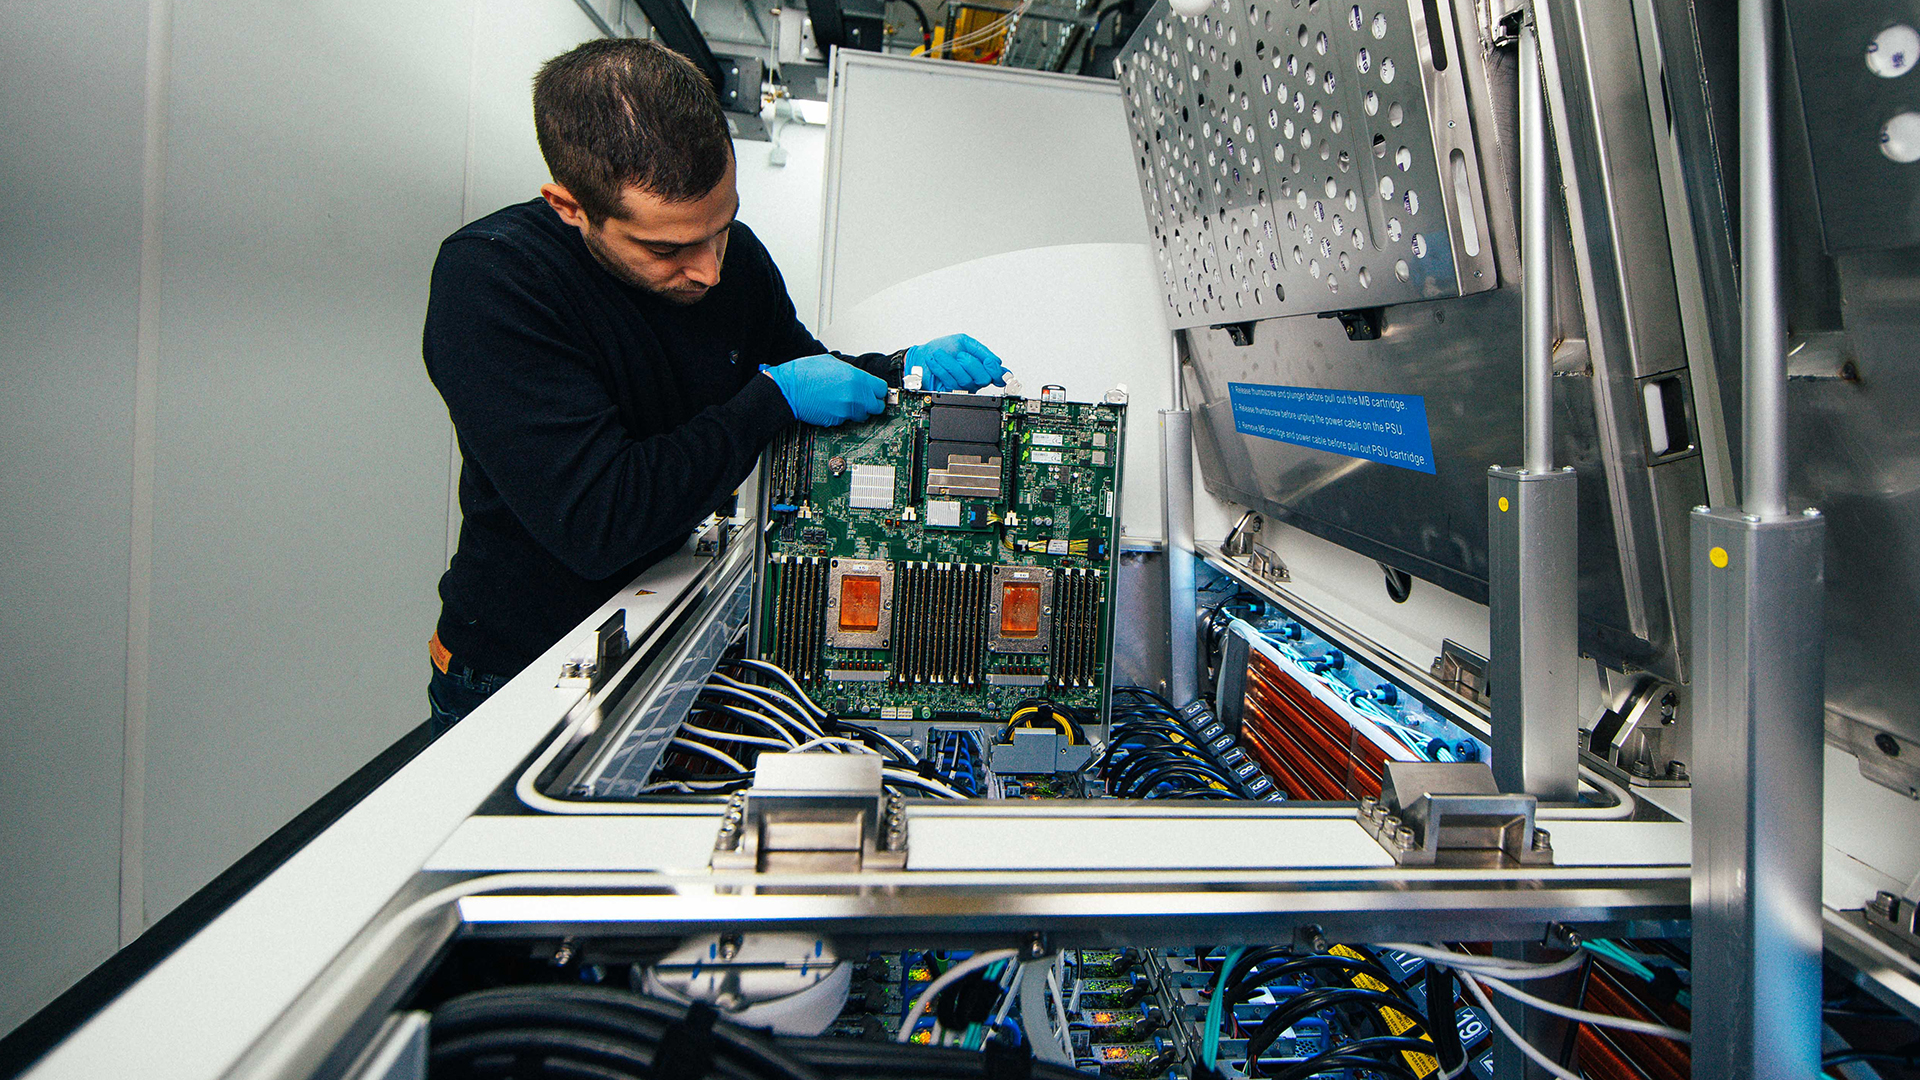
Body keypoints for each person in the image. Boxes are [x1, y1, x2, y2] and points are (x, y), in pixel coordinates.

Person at [422, 38, 1007, 732]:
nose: (709, 271)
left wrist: (903, 367)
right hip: (524, 672)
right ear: (570, 206)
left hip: (678, 632)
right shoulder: (495, 281)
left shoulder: (740, 261)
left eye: (721, 228)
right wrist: (770, 398)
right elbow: (602, 519)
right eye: (667, 249)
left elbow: (804, 379)